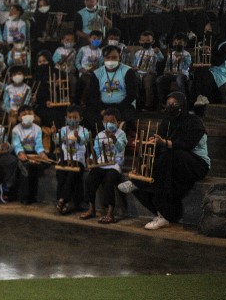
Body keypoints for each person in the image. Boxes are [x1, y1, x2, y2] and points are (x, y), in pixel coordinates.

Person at [119, 92, 210, 230]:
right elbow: (159, 141)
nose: (170, 106)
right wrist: (152, 144)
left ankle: (137, 183)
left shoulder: (194, 121)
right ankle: (162, 214)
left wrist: (164, 143)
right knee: (148, 175)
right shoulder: (167, 122)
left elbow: (187, 145)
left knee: (171, 155)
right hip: (172, 163)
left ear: (183, 104)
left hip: (196, 163)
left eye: (174, 104)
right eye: (168, 104)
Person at [81, 107, 127, 224]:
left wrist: (114, 138)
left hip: (115, 165)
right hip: (101, 164)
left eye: (112, 121)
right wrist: (91, 159)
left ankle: (110, 212)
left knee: (109, 181)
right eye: (106, 122)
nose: (109, 124)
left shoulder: (121, 134)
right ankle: (91, 209)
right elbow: (96, 150)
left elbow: (121, 147)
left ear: (118, 122)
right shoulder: (100, 134)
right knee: (90, 180)